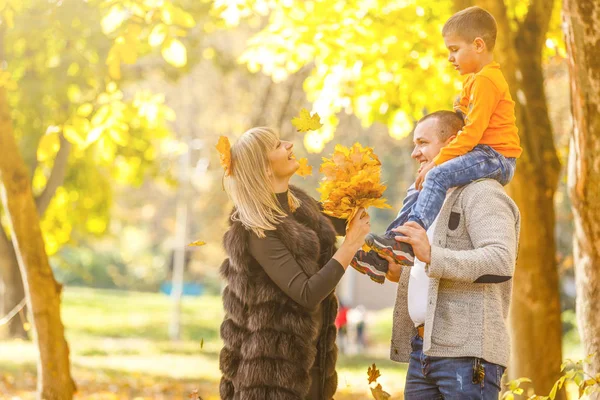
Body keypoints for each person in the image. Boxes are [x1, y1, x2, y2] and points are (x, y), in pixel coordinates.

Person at [352, 6, 522, 278]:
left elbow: (472, 132)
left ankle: (408, 240)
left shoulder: (488, 80)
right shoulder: (473, 82)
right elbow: (461, 119)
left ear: (478, 45)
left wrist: (436, 161)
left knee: (437, 175)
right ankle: (385, 251)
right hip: (481, 152)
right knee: (417, 187)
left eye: (454, 50)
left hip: (496, 157)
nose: (450, 58)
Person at [217, 127, 371, 400]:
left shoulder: (300, 203)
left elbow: (347, 220)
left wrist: (358, 183)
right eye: (277, 145)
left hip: (312, 361)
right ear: (265, 169)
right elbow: (307, 293)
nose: (289, 145)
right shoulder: (257, 227)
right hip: (273, 375)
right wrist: (349, 245)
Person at [383, 111, 520, 399]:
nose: (414, 153)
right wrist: (402, 274)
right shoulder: (432, 198)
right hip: (422, 352)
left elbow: (500, 261)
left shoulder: (483, 192)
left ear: (453, 143)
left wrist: (431, 254)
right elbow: (433, 268)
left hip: (467, 355)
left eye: (422, 143)